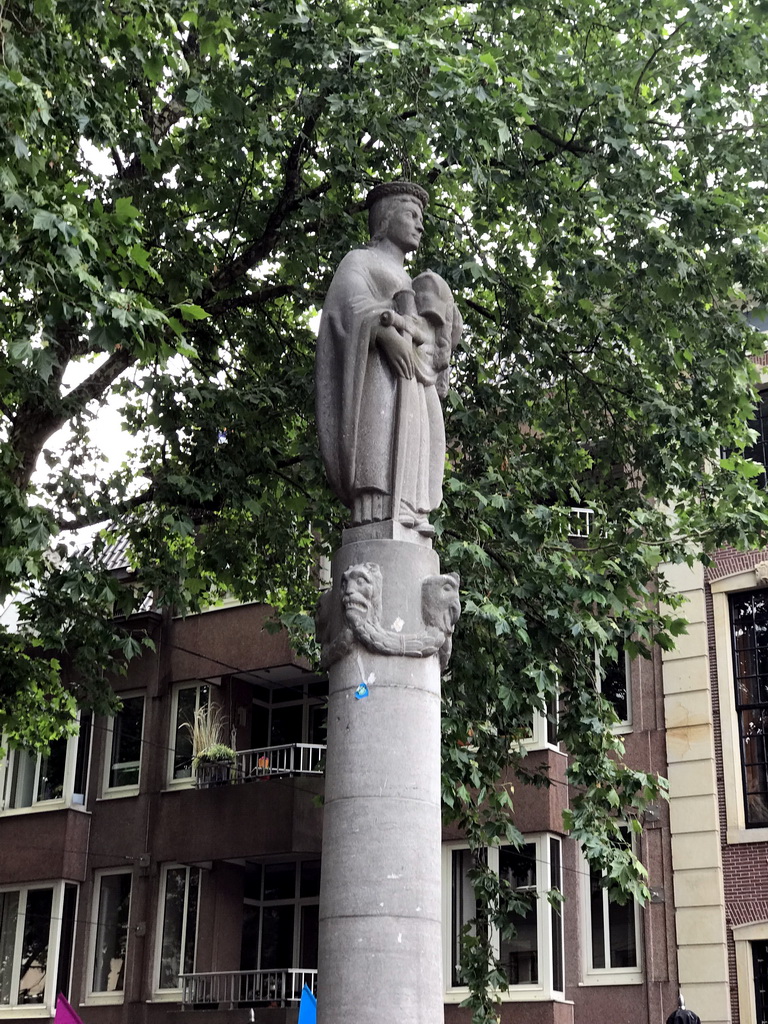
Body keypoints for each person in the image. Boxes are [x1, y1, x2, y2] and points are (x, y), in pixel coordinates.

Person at [315, 181, 462, 536]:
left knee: (414, 444)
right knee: (379, 445)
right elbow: (347, 305)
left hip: (411, 382)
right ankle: (375, 507)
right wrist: (382, 333)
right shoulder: (361, 260)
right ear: (386, 218)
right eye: (411, 215)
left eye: (421, 218)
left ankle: (411, 510)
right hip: (377, 377)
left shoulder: (413, 278)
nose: (420, 224)